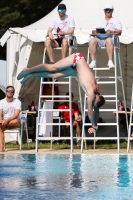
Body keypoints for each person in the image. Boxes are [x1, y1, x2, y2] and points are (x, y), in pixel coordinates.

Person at [17, 52, 105, 135]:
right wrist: (94, 125)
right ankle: (28, 70)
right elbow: (90, 111)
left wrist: (95, 125)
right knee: (53, 68)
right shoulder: (92, 94)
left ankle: (31, 75)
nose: (92, 103)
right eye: (93, 102)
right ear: (96, 99)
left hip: (77, 68)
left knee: (55, 75)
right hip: (78, 59)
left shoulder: (97, 94)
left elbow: (96, 110)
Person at [88, 3, 122, 69]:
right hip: (99, 38)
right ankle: (93, 61)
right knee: (92, 41)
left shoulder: (116, 20)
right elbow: (93, 30)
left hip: (110, 38)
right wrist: (95, 31)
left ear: (112, 10)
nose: (108, 11)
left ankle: (110, 61)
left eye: (109, 9)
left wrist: (112, 31)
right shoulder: (99, 20)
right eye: (106, 9)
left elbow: (119, 32)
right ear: (104, 11)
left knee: (109, 40)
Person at [0, 86, 21, 152]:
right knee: (0, 125)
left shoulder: (17, 102)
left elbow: (16, 115)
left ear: (14, 93)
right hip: (4, 122)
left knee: (16, 121)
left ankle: (3, 123)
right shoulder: (1, 102)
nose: (10, 92)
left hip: (13, 122)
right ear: (6, 92)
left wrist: (6, 121)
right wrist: (1, 120)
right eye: (8, 91)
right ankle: (1, 146)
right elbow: (0, 113)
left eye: (12, 91)